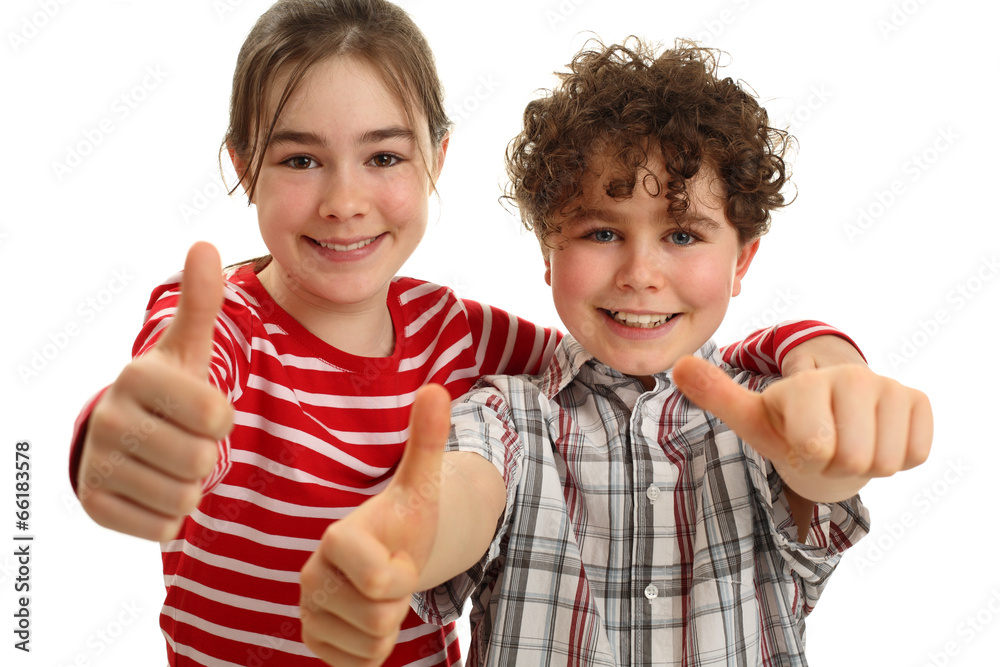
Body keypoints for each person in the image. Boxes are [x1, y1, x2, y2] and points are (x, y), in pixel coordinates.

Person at [68, 2, 876, 665]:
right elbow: (166, 403)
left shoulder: (453, 330)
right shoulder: (215, 319)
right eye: (300, 160)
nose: (344, 201)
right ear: (244, 165)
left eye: (384, 157)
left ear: (437, 159)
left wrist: (816, 352)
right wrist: (132, 449)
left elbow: (636, 365)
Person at [301, 38, 933, 666]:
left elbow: (818, 470)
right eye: (602, 232)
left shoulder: (770, 413)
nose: (639, 274)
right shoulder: (506, 415)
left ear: (742, 261)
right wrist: (404, 538)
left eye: (682, 235)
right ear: (547, 252)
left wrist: (835, 450)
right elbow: (464, 492)